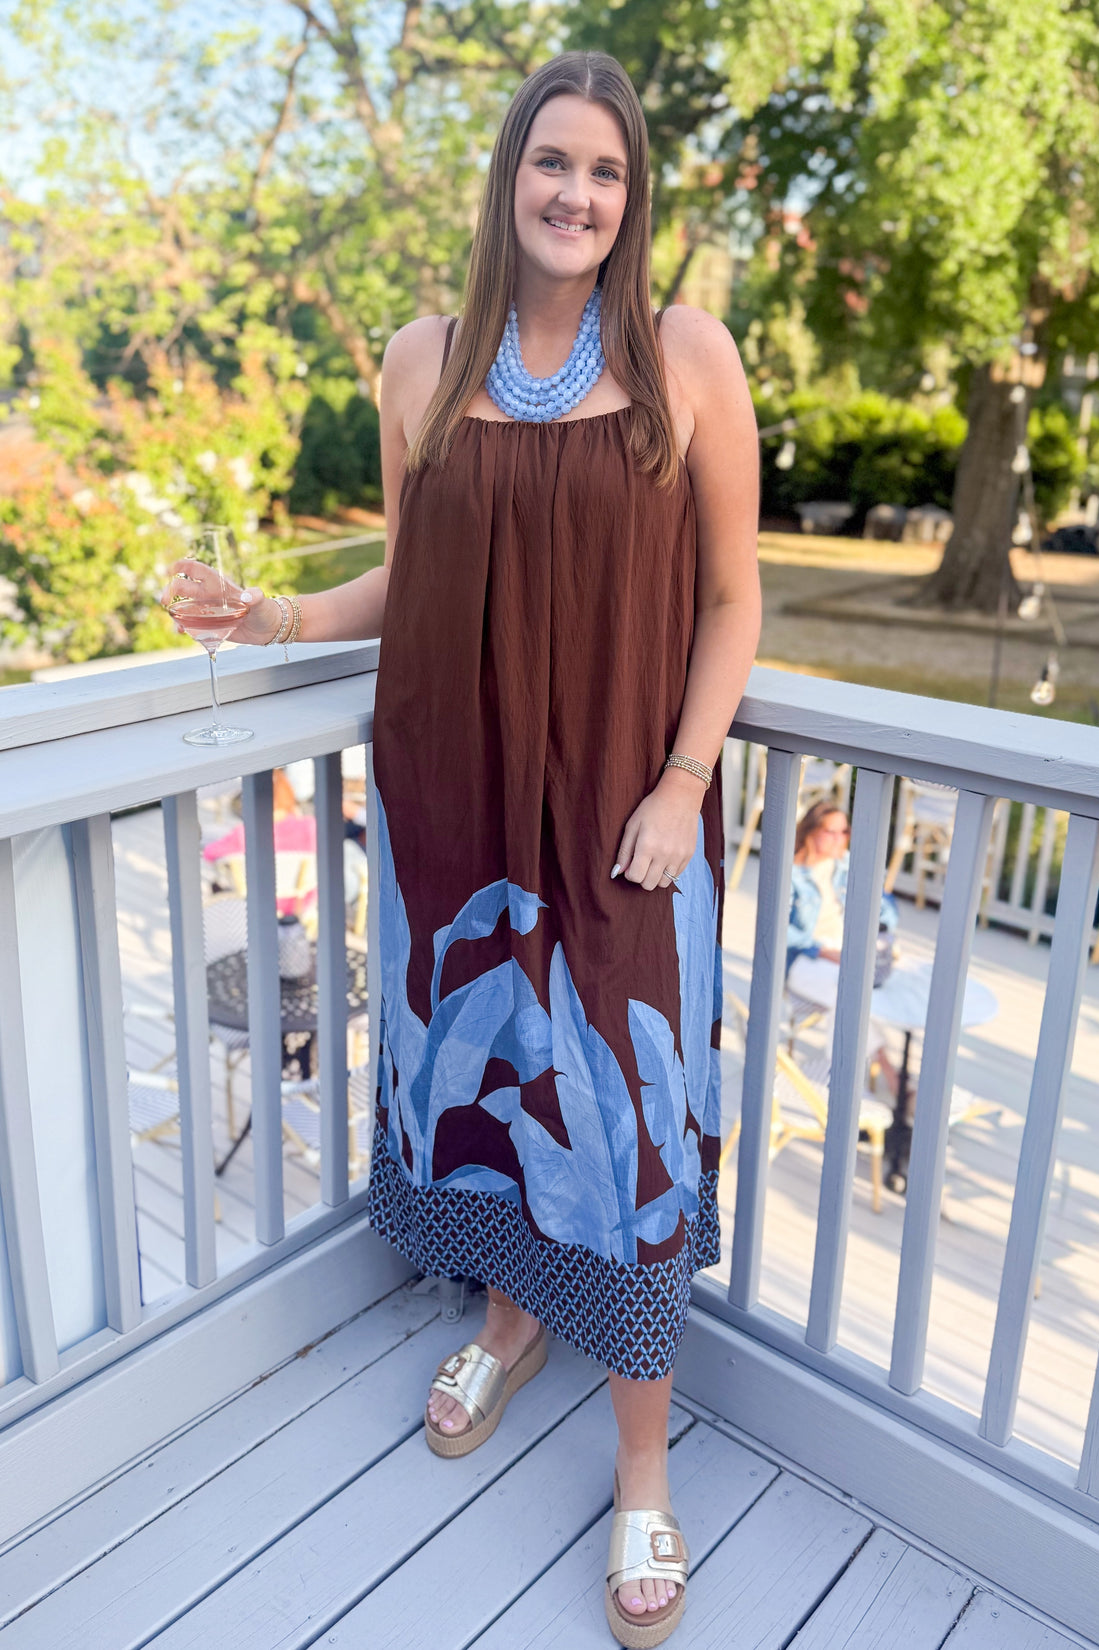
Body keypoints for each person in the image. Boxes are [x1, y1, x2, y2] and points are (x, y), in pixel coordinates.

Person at [164, 50, 759, 1646]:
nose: (578, 193)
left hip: (627, 821)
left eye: (608, 172)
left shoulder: (687, 353)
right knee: (492, 1086)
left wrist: (684, 781)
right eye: (553, 162)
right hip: (461, 803)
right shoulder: (422, 358)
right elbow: (412, 575)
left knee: (623, 1126)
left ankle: (644, 1466)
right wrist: (273, 612)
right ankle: (509, 1323)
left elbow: (733, 597)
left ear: (635, 198)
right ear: (509, 176)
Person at [788, 801, 898, 1085]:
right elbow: (782, 932)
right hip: (806, 958)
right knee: (849, 994)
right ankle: (887, 1077)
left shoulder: (846, 865)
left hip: (845, 951)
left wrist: (884, 933)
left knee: (860, 994)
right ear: (811, 831)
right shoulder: (791, 872)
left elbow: (886, 908)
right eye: (831, 832)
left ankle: (841, 1079)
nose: (840, 839)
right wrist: (824, 951)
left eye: (845, 832)